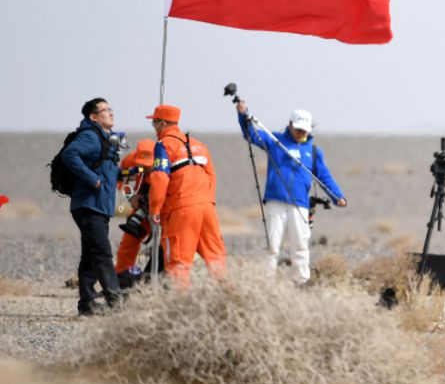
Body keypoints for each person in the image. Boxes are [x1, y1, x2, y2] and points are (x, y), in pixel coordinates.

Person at [236, 103, 346, 285]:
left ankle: (301, 282)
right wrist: (242, 114)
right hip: (275, 201)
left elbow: (324, 175)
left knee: (300, 245)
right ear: (289, 124)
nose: (300, 133)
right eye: (297, 129)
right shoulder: (274, 140)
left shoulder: (313, 151)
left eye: (304, 130)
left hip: (300, 204)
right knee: (272, 245)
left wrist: (338, 196)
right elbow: (251, 135)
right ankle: (267, 282)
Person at [147, 105, 227, 285]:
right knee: (216, 258)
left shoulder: (163, 145)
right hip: (207, 208)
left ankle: (181, 306)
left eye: (154, 123)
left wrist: (155, 209)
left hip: (182, 209)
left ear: (162, 123)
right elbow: (211, 176)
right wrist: (207, 201)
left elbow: (159, 177)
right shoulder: (199, 146)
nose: (153, 127)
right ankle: (229, 298)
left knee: (178, 262)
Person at [60, 98, 122, 315]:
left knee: (90, 254)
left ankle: (87, 303)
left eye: (110, 109)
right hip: (89, 206)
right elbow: (70, 155)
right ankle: (116, 302)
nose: (111, 113)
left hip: (99, 206)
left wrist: (125, 174)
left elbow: (105, 169)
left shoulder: (104, 139)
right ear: (93, 117)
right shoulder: (90, 136)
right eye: (105, 110)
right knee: (102, 253)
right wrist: (92, 180)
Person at [114, 139, 156, 287]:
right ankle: (121, 277)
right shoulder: (130, 160)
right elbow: (120, 179)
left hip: (162, 208)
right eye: (141, 165)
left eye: (147, 166)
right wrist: (130, 197)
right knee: (129, 239)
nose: (143, 168)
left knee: (164, 247)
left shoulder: (164, 166)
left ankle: (156, 279)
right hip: (141, 207)